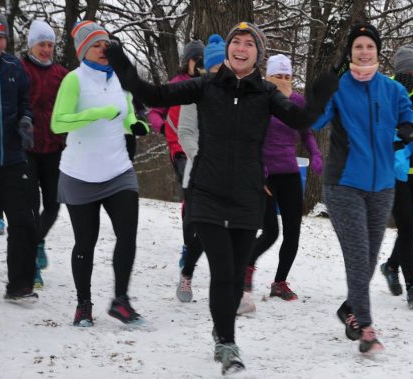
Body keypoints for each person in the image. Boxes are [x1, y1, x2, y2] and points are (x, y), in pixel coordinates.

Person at [106, 21, 337, 375]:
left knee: (233, 274)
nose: (241, 48)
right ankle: (226, 344)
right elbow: (154, 95)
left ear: (257, 54)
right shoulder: (205, 86)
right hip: (208, 193)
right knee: (223, 272)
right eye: (237, 42)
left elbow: (302, 117)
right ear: (229, 49)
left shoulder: (266, 93)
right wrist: (123, 65)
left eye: (249, 44)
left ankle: (222, 326)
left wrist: (322, 90)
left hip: (247, 197)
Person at [312, 23, 413, 354]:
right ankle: (366, 326)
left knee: (369, 258)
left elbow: (410, 120)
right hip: (344, 184)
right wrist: (323, 87)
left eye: (369, 47)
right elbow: (313, 121)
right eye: (357, 47)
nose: (363, 52)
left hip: (383, 186)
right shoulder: (339, 88)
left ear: (377, 51)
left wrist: (407, 129)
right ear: (350, 52)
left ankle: (349, 309)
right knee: (359, 256)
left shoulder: (391, 89)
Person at [51, 20, 148, 327]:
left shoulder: (122, 78)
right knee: (85, 243)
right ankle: (83, 305)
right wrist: (95, 114)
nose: (103, 49)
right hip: (80, 174)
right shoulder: (73, 80)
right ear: (83, 50)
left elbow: (127, 114)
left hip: (118, 170)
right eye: (95, 44)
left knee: (128, 235)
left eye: (105, 43)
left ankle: (121, 301)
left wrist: (134, 124)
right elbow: (58, 123)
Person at [244, 53, 323, 303]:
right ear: (268, 76)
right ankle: (246, 266)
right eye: (278, 75)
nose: (283, 80)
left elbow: (307, 133)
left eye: (288, 76)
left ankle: (279, 283)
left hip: (289, 173)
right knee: (270, 231)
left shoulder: (297, 102)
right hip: (265, 174)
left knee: (293, 232)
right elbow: (249, 138)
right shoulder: (260, 100)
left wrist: (316, 155)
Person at [175, 33, 226, 303]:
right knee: (202, 230)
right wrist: (203, 158)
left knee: (231, 231)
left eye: (223, 66)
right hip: (199, 174)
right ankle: (187, 273)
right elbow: (184, 132)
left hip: (230, 175)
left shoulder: (239, 92)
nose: (220, 72)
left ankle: (232, 286)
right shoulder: (196, 91)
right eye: (215, 67)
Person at [0, 3, 38, 301]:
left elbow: (25, 101)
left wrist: (26, 120)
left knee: (24, 220)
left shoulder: (14, 67)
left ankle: (20, 285)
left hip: (12, 157)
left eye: (1, 36)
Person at [380, 45, 413, 309]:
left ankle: (390, 266)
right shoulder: (385, 90)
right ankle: (412, 287)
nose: (412, 72)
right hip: (394, 172)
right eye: (407, 69)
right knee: (407, 228)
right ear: (398, 71)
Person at [21, 20, 69, 288]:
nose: (47, 49)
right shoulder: (20, 69)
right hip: (26, 148)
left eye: (50, 44)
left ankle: (37, 242)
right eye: (42, 44)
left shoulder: (62, 74)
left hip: (54, 148)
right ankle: (30, 264)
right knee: (29, 207)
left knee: (53, 204)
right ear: (32, 45)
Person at [148, 39, 204, 268]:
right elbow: (154, 111)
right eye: (196, 60)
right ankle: (188, 246)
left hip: (204, 149)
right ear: (187, 61)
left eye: (204, 60)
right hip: (180, 150)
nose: (200, 64)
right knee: (189, 196)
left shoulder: (208, 84)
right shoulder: (177, 84)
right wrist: (162, 126)